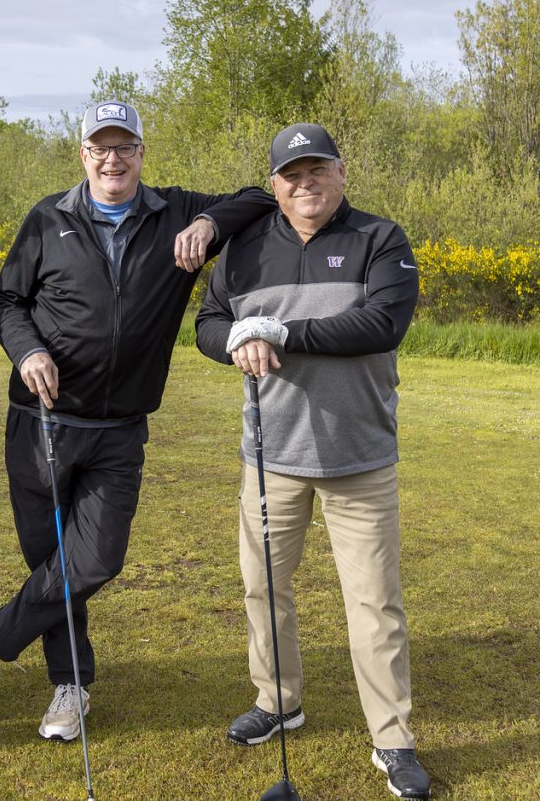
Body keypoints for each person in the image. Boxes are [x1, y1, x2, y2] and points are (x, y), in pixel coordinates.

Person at [0, 100, 276, 742]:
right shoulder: (49, 217)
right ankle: (69, 690)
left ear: (141, 153)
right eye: (100, 147)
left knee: (94, 557)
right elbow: (7, 299)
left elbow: (261, 199)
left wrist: (210, 222)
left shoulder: (174, 211)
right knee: (52, 558)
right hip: (41, 419)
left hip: (120, 426)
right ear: (83, 155)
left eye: (124, 146)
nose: (112, 158)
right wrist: (28, 351)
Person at [193, 122, 431, 800]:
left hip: (359, 456)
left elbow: (382, 323)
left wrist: (282, 331)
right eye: (292, 174)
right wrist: (234, 337)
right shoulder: (244, 250)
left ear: (341, 172)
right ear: (274, 185)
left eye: (317, 169)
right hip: (273, 453)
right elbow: (208, 323)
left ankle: (393, 739)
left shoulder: (378, 239)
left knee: (374, 602)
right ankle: (278, 700)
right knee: (263, 588)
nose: (306, 183)